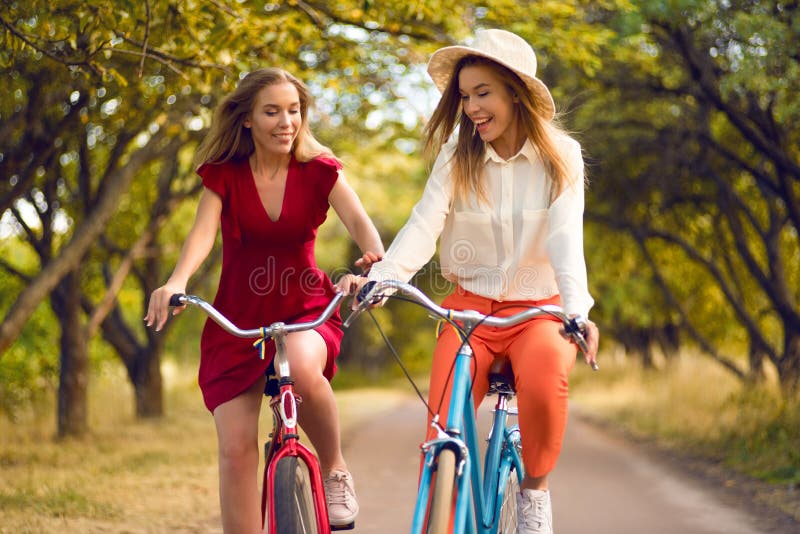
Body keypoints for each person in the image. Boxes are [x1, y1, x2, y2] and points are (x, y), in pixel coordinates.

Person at [337, 29, 599, 534]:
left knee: (546, 381)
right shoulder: (459, 152)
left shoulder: (561, 155)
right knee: (441, 427)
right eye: (464, 96)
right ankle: (443, 506)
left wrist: (576, 311)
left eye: (483, 93)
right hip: (467, 312)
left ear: (515, 94)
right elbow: (424, 221)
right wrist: (386, 280)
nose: (472, 107)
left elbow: (567, 239)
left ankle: (534, 494)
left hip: (538, 311)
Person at [144, 67, 384, 532]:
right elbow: (202, 236)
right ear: (248, 119)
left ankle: (335, 470)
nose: (285, 122)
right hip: (238, 321)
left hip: (307, 309)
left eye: (293, 111)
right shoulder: (224, 176)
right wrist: (176, 281)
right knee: (235, 450)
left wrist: (373, 266)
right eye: (272, 111)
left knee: (299, 362)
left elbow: (360, 224)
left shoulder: (320, 170)